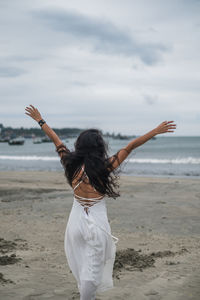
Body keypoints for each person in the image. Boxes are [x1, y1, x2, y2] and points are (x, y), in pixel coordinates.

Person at [25, 104, 176, 300]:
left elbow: (56, 140)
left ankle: (86, 295)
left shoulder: (70, 163)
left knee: (80, 263)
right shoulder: (105, 166)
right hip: (97, 224)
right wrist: (155, 131)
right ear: (99, 147)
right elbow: (130, 146)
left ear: (80, 145)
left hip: (75, 223)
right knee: (93, 269)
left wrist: (40, 120)